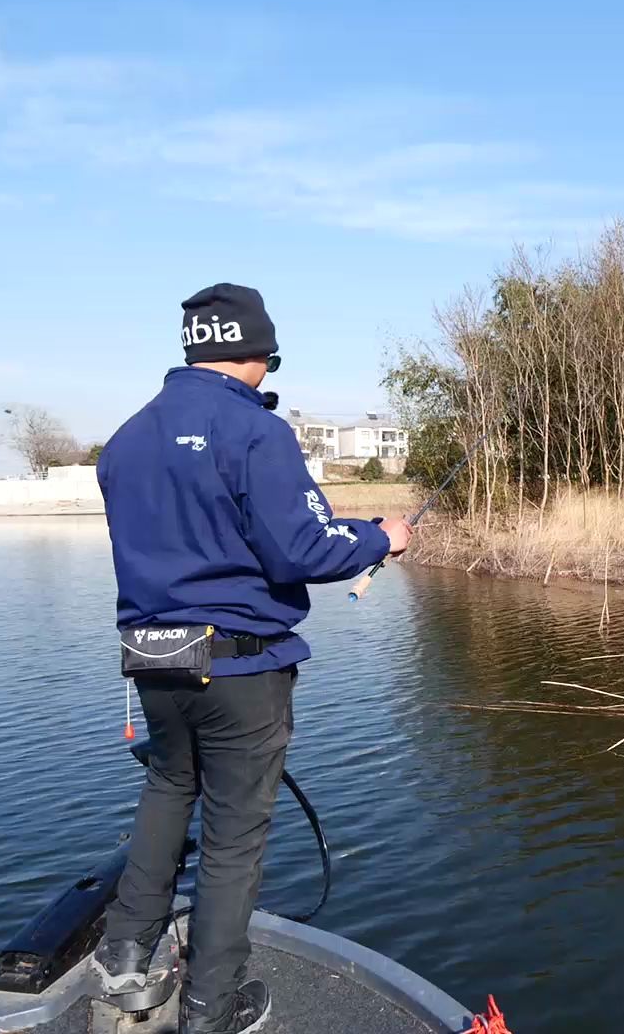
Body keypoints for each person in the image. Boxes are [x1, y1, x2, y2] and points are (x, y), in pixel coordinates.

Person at [91, 283, 412, 1034]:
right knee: (235, 837)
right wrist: (380, 537)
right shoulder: (255, 433)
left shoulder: (128, 436)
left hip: (152, 661)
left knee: (169, 792)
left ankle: (125, 955)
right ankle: (213, 1006)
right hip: (240, 669)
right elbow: (301, 547)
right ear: (259, 355)